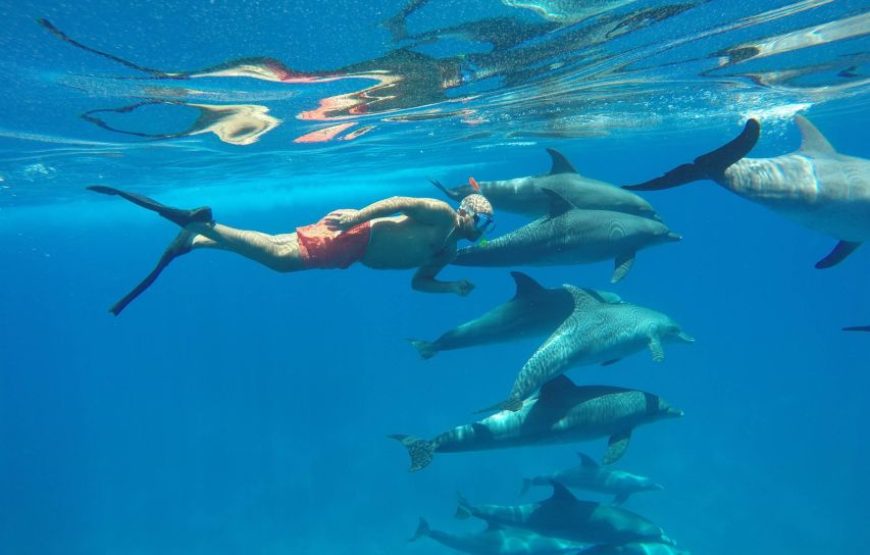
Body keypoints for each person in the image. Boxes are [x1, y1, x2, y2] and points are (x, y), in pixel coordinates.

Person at [87, 185, 495, 315]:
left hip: (351, 253)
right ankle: (204, 225)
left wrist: (452, 287)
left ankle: (200, 239)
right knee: (282, 260)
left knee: (282, 247)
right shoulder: (442, 215)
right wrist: (354, 220)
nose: (484, 228)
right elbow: (397, 203)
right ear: (468, 213)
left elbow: (420, 283)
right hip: (357, 235)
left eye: (487, 224)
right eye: (483, 219)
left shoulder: (446, 254)